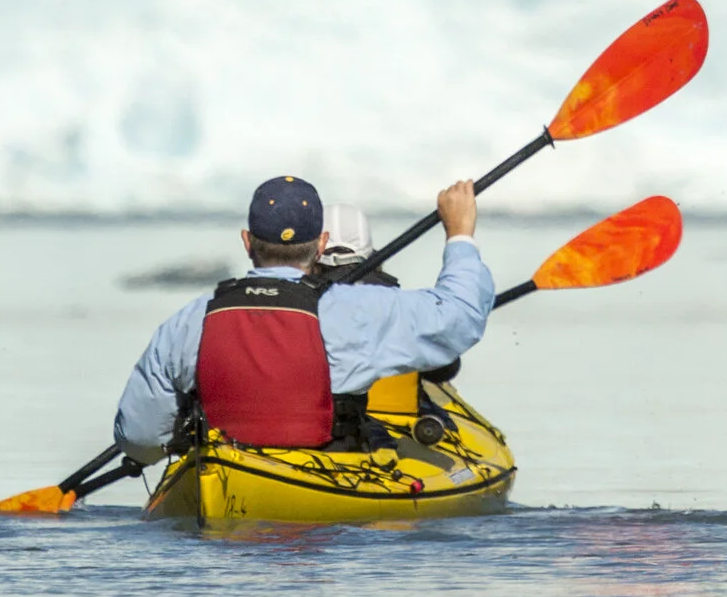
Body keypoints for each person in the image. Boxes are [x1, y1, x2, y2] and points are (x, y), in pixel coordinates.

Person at [114, 172, 492, 460]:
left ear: (246, 241)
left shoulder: (191, 320)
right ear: (321, 244)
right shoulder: (358, 310)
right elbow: (460, 317)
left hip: (224, 472)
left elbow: (140, 438)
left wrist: (179, 440)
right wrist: (459, 234)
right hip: (325, 474)